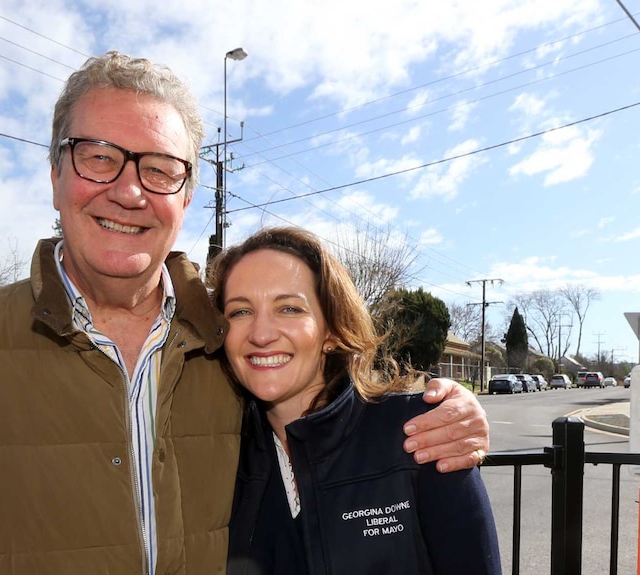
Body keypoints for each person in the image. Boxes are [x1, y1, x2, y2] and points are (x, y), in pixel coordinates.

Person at [0, 52, 490, 575]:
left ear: (187, 195)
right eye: (99, 156)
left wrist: (450, 407)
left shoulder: (224, 353)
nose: (130, 191)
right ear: (55, 174)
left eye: (159, 168)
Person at [212, 227, 500, 575]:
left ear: (331, 331)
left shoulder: (421, 435)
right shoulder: (222, 457)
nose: (260, 334)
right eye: (240, 312)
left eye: (289, 308)